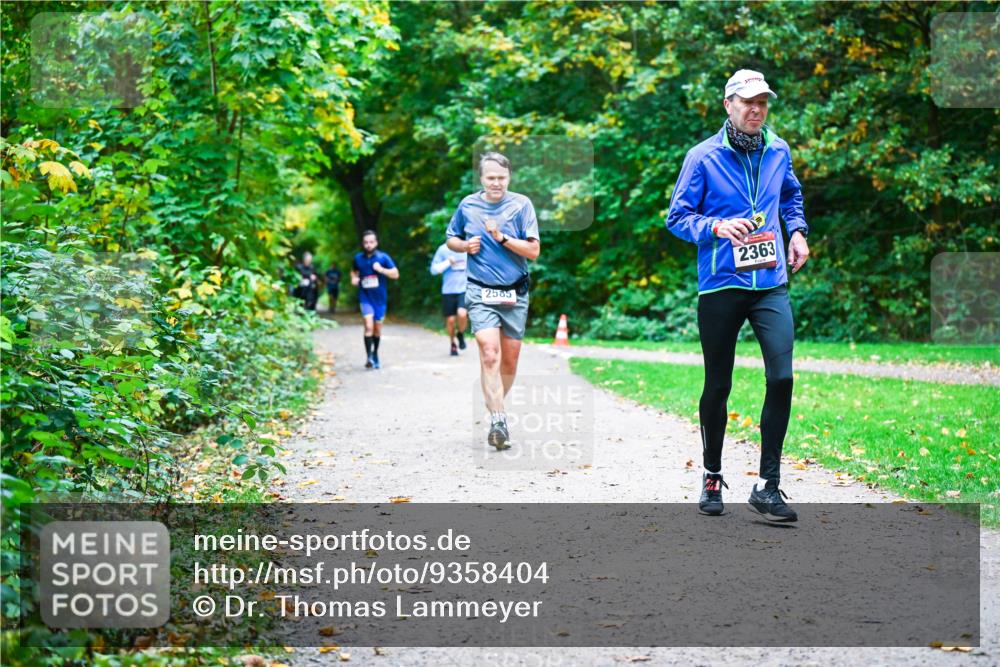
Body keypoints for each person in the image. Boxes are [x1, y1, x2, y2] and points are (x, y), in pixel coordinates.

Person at [666, 69, 810, 522]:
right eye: (747, 101)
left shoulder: (779, 149)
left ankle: (769, 486)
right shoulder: (702, 157)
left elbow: (790, 197)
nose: (756, 109)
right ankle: (712, 475)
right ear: (728, 104)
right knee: (719, 385)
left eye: (762, 102)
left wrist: (798, 231)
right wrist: (715, 227)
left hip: (769, 282)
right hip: (721, 283)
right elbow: (677, 217)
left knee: (782, 377)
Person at [446, 152, 540, 450]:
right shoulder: (468, 205)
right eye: (490, 178)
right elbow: (451, 238)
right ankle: (498, 419)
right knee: (489, 353)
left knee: (509, 362)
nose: (496, 183)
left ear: (509, 177)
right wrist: (464, 245)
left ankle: (497, 406)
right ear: (481, 178)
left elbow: (533, 252)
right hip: (480, 290)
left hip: (515, 291)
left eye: (501, 178)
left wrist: (501, 238)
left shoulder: (521, 205)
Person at [350, 230, 400, 369]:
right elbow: (354, 271)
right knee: (368, 327)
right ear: (363, 243)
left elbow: (396, 274)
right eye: (366, 242)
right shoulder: (358, 258)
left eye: (371, 242)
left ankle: (375, 353)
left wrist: (382, 270)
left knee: (377, 330)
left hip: (380, 299)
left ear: (376, 243)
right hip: (365, 297)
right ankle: (369, 358)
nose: (368, 245)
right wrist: (354, 278)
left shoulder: (383, 257)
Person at [429, 242, 469, 356]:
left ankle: (460, 334)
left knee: (462, 314)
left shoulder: (468, 247)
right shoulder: (443, 249)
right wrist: (447, 262)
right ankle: (453, 344)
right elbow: (433, 270)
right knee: (450, 320)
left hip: (464, 289)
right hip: (448, 290)